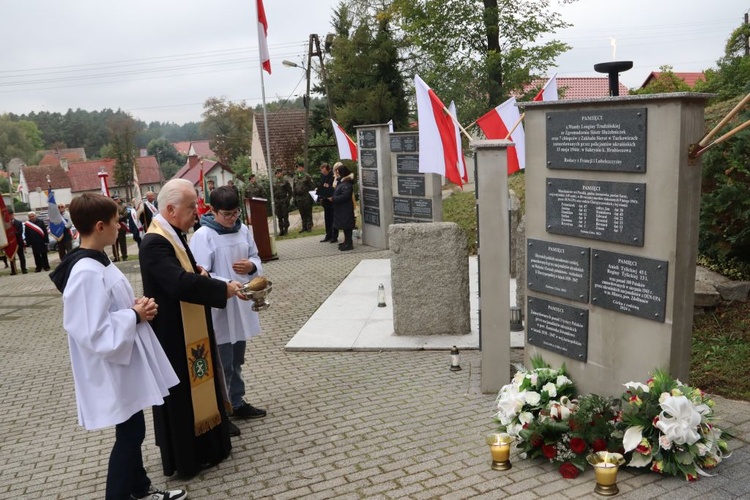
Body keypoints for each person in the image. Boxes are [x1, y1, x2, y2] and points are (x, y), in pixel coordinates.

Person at [49, 193, 187, 500]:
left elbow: (107, 308)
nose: (121, 227)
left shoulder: (98, 262)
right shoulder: (85, 272)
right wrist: (134, 315)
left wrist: (134, 307)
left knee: (133, 428)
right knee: (131, 432)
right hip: (111, 365)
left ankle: (139, 490)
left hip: (123, 362)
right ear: (100, 226)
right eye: (117, 221)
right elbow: (93, 330)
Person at [138, 178, 248, 479]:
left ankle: (210, 448)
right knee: (183, 397)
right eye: (190, 208)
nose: (195, 214)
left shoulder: (173, 234)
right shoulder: (154, 242)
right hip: (174, 334)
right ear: (171, 209)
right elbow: (177, 283)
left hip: (190, 329)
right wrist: (219, 288)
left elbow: (187, 271)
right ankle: (188, 457)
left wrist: (200, 271)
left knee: (199, 387)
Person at [189, 186, 267, 431]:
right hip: (220, 306)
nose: (233, 218)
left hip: (241, 304)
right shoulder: (204, 236)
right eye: (227, 214)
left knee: (237, 359)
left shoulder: (243, 229)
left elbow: (256, 256)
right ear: (212, 211)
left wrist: (252, 267)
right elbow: (201, 274)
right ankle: (222, 411)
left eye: (236, 213)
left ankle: (237, 401)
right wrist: (228, 285)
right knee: (222, 362)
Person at [330, 165, 355, 251]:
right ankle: (346, 242)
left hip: (346, 209)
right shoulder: (342, 182)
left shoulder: (347, 184)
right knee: (344, 226)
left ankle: (349, 243)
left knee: (347, 227)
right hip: (341, 209)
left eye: (338, 172)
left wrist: (333, 199)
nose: (337, 174)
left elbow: (345, 196)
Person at [292, 163, 315, 233]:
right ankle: (304, 226)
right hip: (299, 198)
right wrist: (294, 198)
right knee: (302, 213)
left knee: (308, 212)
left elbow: (312, 186)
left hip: (306, 196)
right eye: (297, 168)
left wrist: (311, 196)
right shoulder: (295, 177)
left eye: (300, 168)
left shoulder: (307, 176)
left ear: (303, 168)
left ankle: (309, 226)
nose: (298, 169)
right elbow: (294, 188)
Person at [316, 163, 335, 243]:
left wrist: (328, 187)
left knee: (332, 218)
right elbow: (322, 185)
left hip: (332, 200)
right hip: (325, 200)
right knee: (327, 219)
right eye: (322, 172)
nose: (323, 173)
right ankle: (328, 234)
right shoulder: (323, 176)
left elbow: (334, 187)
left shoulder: (333, 176)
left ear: (328, 170)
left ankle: (334, 235)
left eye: (325, 172)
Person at [273, 169, 292, 236]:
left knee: (285, 216)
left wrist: (288, 199)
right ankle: (281, 230)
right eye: (277, 173)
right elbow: (273, 192)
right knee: (279, 216)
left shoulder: (285, 181)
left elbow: (290, 192)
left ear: (281, 173)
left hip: (284, 200)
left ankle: (286, 230)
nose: (278, 174)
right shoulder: (274, 182)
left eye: (279, 173)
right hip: (277, 201)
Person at [9, 209, 27, 274]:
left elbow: (20, 232)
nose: (10, 216)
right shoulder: (6, 224)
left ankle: (24, 269)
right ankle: (13, 270)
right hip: (10, 243)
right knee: (12, 257)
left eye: (11, 215)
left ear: (13, 215)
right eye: (9, 215)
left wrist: (12, 234)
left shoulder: (18, 223)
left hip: (18, 242)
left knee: (21, 256)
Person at [112, 197, 129, 261]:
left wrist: (117, 217)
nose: (116, 200)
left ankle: (124, 256)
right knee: (114, 242)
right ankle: (116, 256)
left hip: (121, 225)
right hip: (113, 226)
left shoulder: (123, 206)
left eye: (117, 199)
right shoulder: (111, 206)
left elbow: (125, 214)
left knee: (122, 242)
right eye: (114, 200)